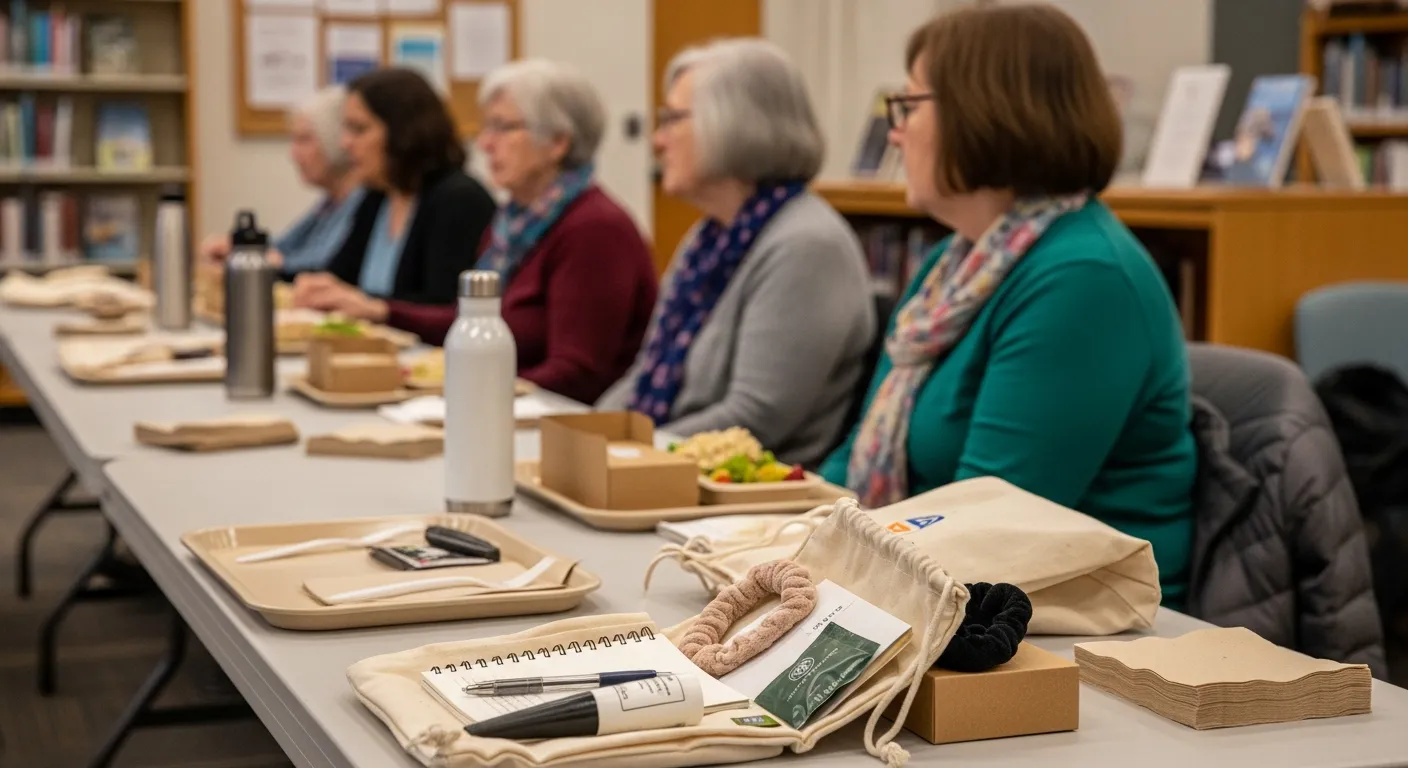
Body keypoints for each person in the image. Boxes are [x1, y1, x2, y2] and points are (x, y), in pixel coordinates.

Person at [819, 4, 1197, 605]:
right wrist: (788, 535)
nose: (895, 131)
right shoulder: (952, 267)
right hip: (943, 585)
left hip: (1077, 623)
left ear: (983, 112)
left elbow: (988, 524)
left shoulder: (1084, 279)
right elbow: (855, 457)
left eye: (909, 106)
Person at [596, 39, 875, 469]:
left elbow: (755, 418)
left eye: (673, 119)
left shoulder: (807, 246)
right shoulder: (711, 236)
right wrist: (586, 437)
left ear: (734, 124)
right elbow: (644, 373)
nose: (657, 140)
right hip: (671, 469)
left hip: (746, 492)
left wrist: (622, 454)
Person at [315, 60, 657, 405]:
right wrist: (382, 312)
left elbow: (577, 374)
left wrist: (465, 393)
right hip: (504, 407)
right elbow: (471, 323)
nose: (485, 143)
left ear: (557, 143)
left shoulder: (594, 230)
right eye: (486, 127)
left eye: (503, 128)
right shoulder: (513, 224)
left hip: (558, 422)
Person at [291, 67, 497, 313]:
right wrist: (319, 286)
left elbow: (446, 307)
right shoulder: (377, 196)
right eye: (346, 129)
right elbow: (342, 277)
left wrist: (376, 308)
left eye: (359, 129)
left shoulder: (458, 200)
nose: (345, 143)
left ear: (404, 132)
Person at [197, 86, 364, 274]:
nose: (293, 154)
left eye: (304, 140)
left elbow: (322, 262)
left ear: (337, 141)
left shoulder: (362, 201)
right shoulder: (331, 202)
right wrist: (240, 246)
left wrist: (262, 260)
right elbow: (286, 245)